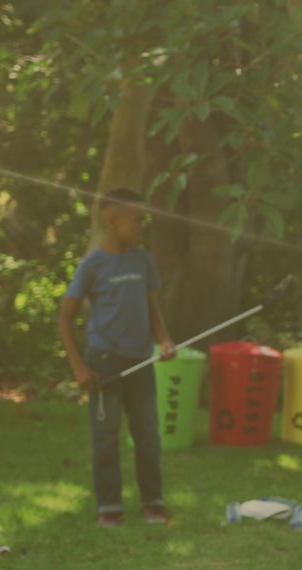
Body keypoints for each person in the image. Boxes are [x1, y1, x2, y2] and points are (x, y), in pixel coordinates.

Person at [57, 188, 176, 527]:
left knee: (147, 434)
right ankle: (109, 507)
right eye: (136, 219)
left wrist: (164, 340)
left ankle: (153, 502)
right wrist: (79, 367)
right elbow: (65, 316)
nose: (143, 225)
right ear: (112, 221)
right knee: (106, 438)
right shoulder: (92, 266)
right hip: (104, 363)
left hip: (140, 362)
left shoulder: (143, 260)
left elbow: (152, 309)